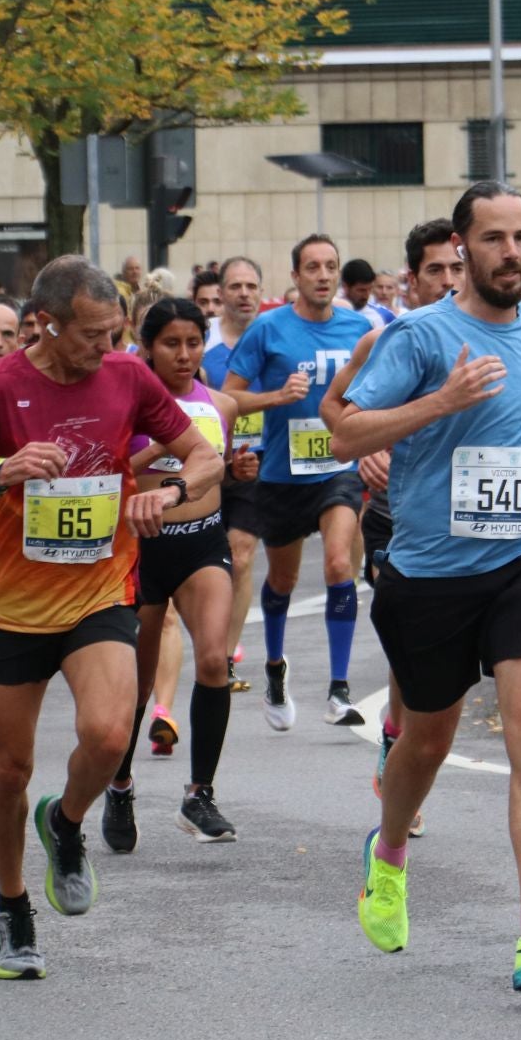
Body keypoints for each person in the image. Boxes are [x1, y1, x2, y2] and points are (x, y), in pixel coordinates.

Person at [0, 256, 222, 981]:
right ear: (46, 324)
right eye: (92, 336)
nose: (107, 350)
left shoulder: (130, 378)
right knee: (9, 769)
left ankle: (68, 822)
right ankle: (13, 906)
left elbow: (204, 457)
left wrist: (165, 496)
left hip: (99, 591)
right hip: (12, 607)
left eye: (115, 333)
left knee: (110, 733)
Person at [332, 181, 521, 992]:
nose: (511, 252)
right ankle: (389, 851)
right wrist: (440, 401)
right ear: (461, 248)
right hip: (432, 571)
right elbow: (343, 427)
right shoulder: (418, 336)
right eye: (493, 239)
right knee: (429, 740)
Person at [322, 216, 465, 840]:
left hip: (465, 516)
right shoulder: (387, 337)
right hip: (394, 514)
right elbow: (335, 409)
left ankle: (394, 734)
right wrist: (364, 450)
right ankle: (396, 740)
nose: (448, 280)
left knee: (426, 662)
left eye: (457, 268)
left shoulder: (497, 331)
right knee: (412, 643)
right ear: (412, 279)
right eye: (435, 269)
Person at [102, 298, 251, 849]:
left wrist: (238, 471)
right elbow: (108, 469)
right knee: (135, 685)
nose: (185, 355)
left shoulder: (221, 404)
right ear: (147, 348)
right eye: (172, 344)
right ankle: (119, 785)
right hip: (140, 549)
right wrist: (165, 446)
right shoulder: (124, 403)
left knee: (214, 659)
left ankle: (199, 795)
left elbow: (219, 473)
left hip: (201, 543)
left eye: (194, 343)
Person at [223, 234, 372, 729]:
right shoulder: (268, 330)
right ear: (296, 276)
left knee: (337, 564)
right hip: (282, 476)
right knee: (282, 580)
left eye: (330, 266)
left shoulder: (359, 327)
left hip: (337, 467)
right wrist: (277, 398)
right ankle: (274, 667)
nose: (324, 275)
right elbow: (228, 398)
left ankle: (338, 688)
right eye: (313, 267)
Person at [206, 256, 267, 693]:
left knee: (241, 554)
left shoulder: (274, 336)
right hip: (206, 462)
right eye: (235, 286)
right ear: (221, 293)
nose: (244, 293)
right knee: (209, 559)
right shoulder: (202, 342)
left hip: (257, 459)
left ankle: (224, 657)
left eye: (251, 286)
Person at [340, 258, 392, 330]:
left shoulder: (385, 316)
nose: (367, 294)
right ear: (345, 287)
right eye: (361, 290)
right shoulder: (329, 314)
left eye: (370, 289)